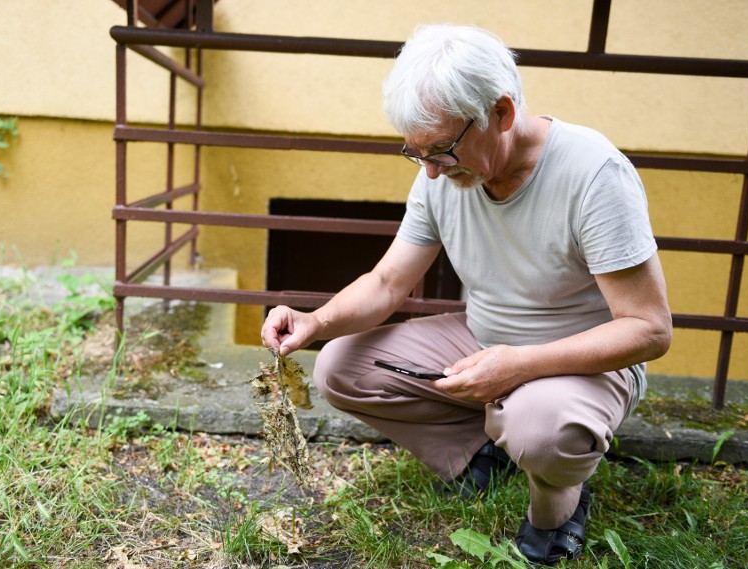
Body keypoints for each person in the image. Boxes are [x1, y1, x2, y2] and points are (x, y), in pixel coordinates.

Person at [261, 23, 672, 566]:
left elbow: (649, 329)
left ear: (501, 113)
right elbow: (387, 284)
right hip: (485, 336)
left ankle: (558, 502)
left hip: (585, 360)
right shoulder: (440, 173)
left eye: (442, 150)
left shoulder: (594, 174)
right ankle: (485, 453)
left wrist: (521, 365)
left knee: (541, 430)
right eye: (415, 153)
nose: (429, 170)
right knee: (340, 366)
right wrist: (317, 321)